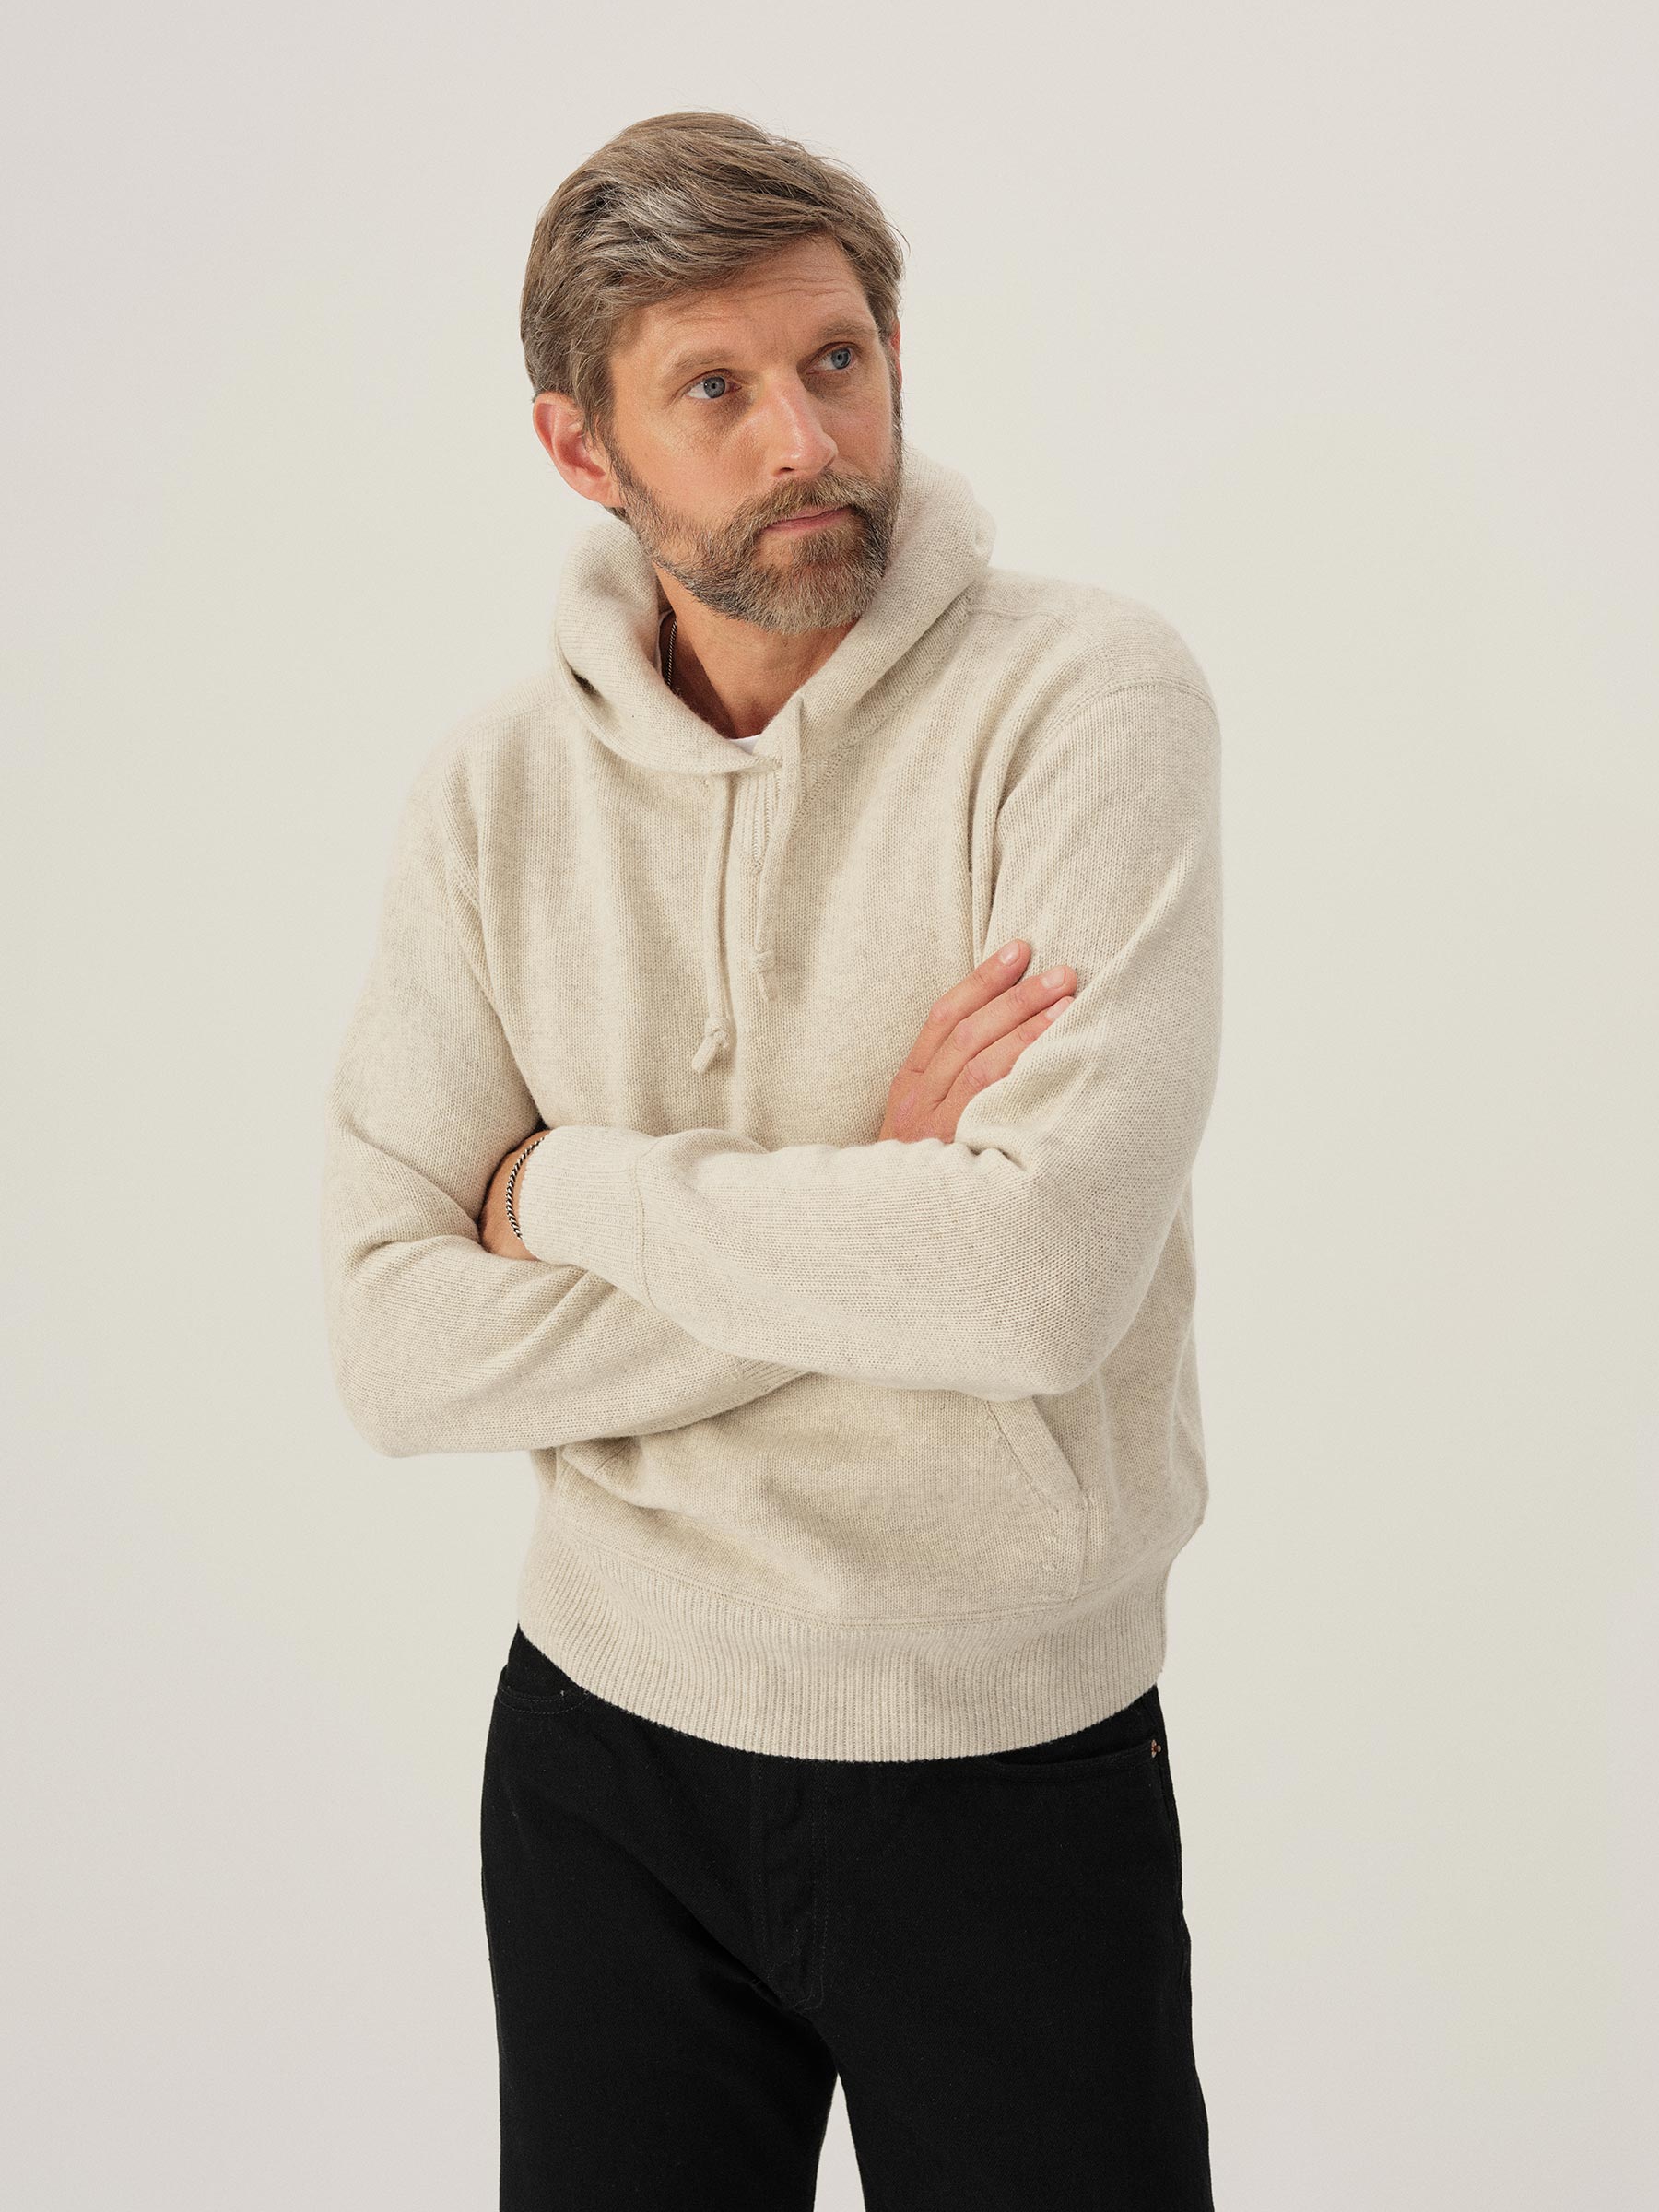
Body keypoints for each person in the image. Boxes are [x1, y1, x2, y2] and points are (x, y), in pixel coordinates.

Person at [320, 107, 1222, 2212]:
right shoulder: (493, 796)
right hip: (601, 1754)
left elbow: (1030, 1288)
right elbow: (391, 1348)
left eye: (837, 361)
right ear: (584, 450)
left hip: (1004, 1758)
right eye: (713, 389)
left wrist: (567, 1191)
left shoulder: (1088, 703)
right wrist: (875, 1189)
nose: (806, 440)